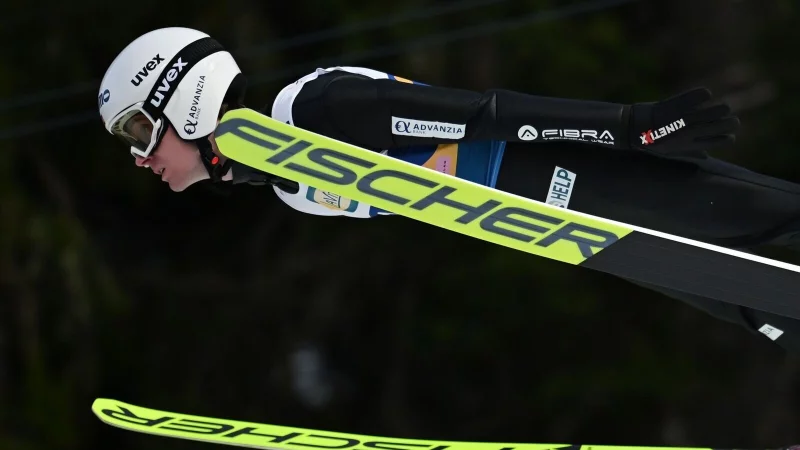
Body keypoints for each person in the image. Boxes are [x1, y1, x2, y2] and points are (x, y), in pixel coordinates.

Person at [98, 27, 800, 353]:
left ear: (179, 101)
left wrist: (627, 127)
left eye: (137, 130)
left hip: (571, 178)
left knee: (769, 226)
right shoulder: (293, 189)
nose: (140, 157)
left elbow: (483, 116)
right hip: (564, 229)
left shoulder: (316, 110)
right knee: (753, 303)